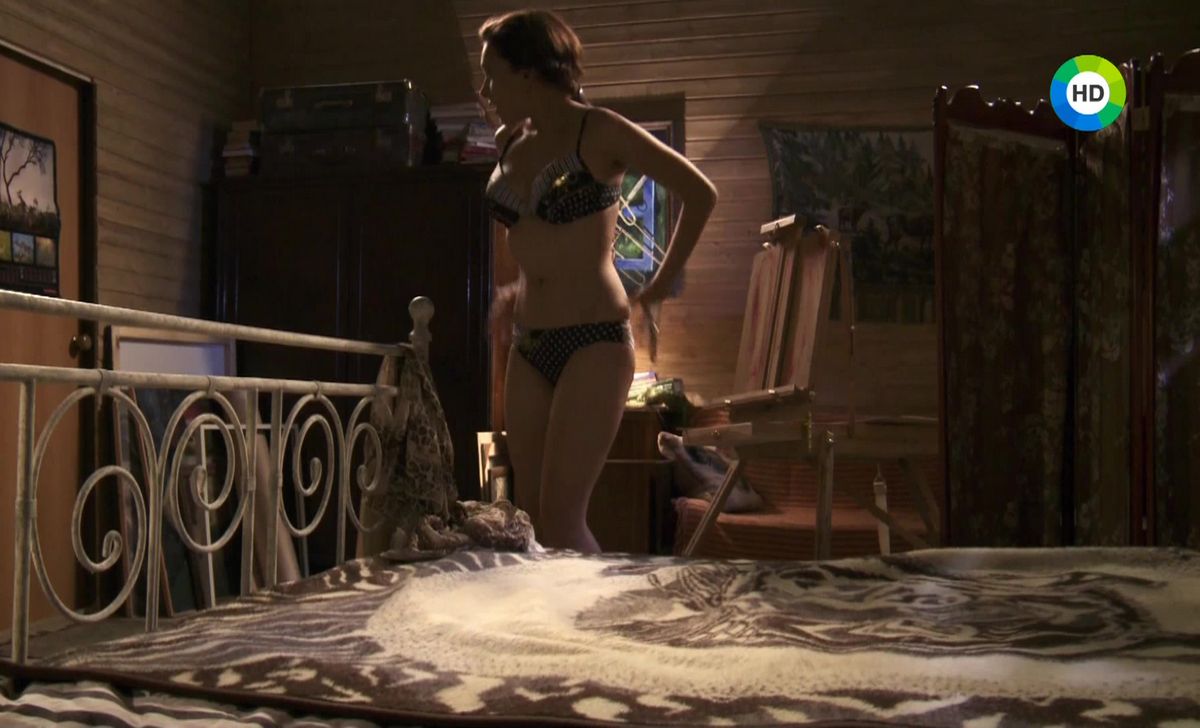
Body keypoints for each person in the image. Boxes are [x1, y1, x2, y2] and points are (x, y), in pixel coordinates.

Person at [478, 9, 717, 552]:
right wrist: (517, 288)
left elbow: (700, 193)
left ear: (528, 73)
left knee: (563, 522)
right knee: (532, 524)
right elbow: (539, 236)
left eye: (493, 76)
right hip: (529, 345)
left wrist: (660, 283)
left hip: (595, 342)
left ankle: (599, 607)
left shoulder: (599, 130)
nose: (487, 92)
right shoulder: (512, 142)